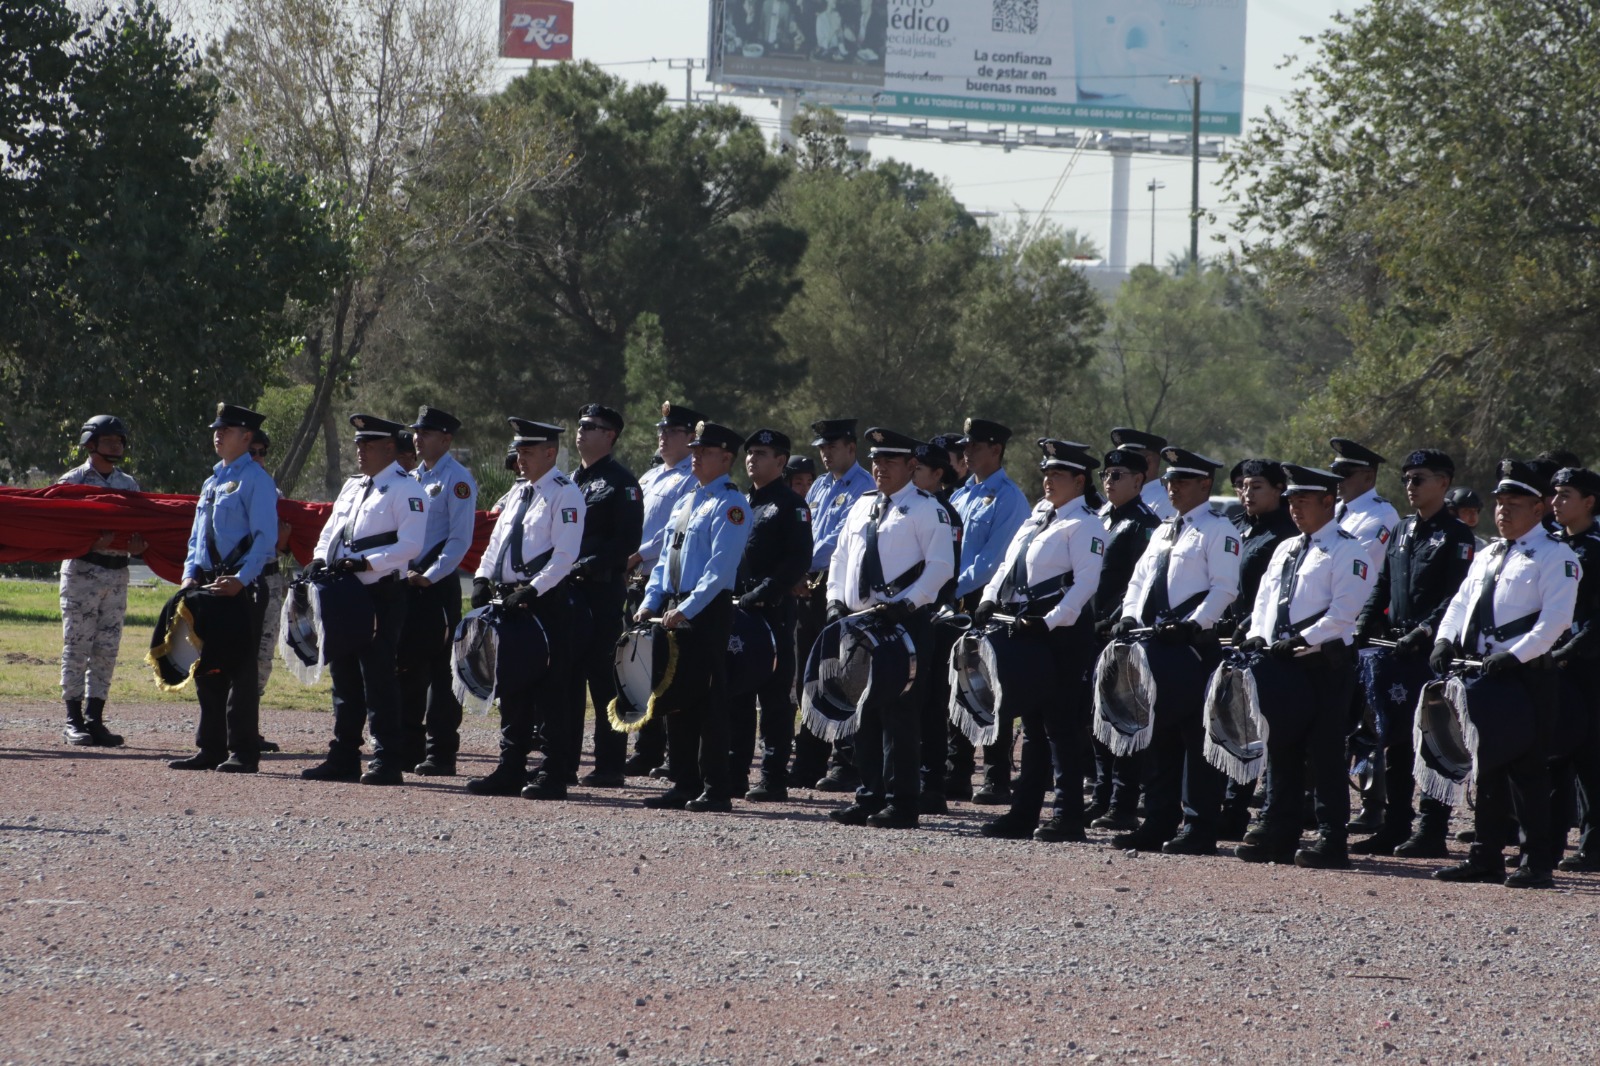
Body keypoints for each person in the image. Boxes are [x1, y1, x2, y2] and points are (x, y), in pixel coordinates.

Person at [1432, 460, 1580, 889]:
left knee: (1527, 772)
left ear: (1539, 508)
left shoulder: (1557, 555)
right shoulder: (1488, 554)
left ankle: (1536, 863)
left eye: (1514, 504)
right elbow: (1460, 604)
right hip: (1483, 674)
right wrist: (1444, 639)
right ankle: (1485, 856)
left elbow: (1555, 620)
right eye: (1500, 503)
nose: (1503, 511)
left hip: (1526, 677)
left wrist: (1514, 656)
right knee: (1487, 770)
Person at [1234, 464, 1373, 868]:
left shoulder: (1348, 550)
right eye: (1291, 500)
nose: (1295, 508)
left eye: (1304, 500)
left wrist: (1302, 639)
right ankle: (1280, 832)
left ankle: (1332, 839)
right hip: (1282, 664)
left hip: (1323, 667)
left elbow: (1344, 613)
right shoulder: (1287, 548)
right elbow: (1265, 601)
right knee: (1281, 748)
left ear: (1328, 501)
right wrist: (1258, 634)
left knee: (1326, 753)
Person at [1106, 446, 1240, 854]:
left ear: (1205, 484)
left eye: (1181, 481)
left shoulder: (1219, 530)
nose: (1172, 487)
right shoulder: (1164, 529)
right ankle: (1158, 820)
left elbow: (1224, 589)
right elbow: (1138, 581)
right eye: (1169, 480)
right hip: (1154, 643)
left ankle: (1199, 827)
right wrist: (1129, 616)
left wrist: (1194, 624)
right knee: (1158, 736)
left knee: (1197, 740)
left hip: (1193, 648)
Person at [975, 440, 1106, 842]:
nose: (1048, 480)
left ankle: (1068, 816)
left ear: (1079, 481)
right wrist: (988, 598)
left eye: (1057, 474)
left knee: (1061, 726)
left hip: (1061, 634)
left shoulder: (1085, 523)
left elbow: (1085, 584)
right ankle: (1024, 813)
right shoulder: (1038, 517)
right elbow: (1007, 564)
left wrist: (1049, 623)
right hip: (1025, 628)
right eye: (1046, 473)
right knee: (1031, 725)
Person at [824, 427, 955, 829]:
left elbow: (940, 568)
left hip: (903, 624)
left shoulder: (927, 509)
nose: (880, 467)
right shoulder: (862, 505)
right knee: (862, 712)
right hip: (859, 623)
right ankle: (870, 795)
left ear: (912, 465)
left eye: (890, 460)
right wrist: (834, 600)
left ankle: (902, 802)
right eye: (876, 460)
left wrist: (905, 605)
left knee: (900, 715)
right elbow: (840, 558)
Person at [1348, 449, 1476, 858]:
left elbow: (1457, 596)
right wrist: (1364, 622)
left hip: (1429, 653)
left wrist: (1425, 631)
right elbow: (1382, 584)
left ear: (1443, 482)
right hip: (1394, 652)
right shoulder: (1402, 530)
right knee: (1396, 742)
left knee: (1433, 741)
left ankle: (1431, 831)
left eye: (1418, 478)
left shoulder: (1456, 535)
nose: (1410, 486)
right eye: (1406, 479)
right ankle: (1396, 825)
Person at [300, 415, 428, 785]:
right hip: (343, 592)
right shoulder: (353, 486)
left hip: (380, 594)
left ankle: (387, 759)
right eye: (358, 444)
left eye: (367, 445)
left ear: (389, 448)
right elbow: (331, 531)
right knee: (343, 677)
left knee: (378, 677)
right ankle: (343, 755)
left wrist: (367, 562)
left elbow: (411, 545)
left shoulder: (407, 489)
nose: (360, 451)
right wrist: (319, 559)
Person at [634, 421, 752, 812]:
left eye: (705, 451)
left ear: (726, 458)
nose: (696, 456)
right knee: (674, 695)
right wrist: (652, 601)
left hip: (706, 610)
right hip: (674, 607)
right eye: (695, 450)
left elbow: (720, 570)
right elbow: (666, 560)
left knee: (708, 699)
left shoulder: (731, 505)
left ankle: (716, 788)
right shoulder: (688, 500)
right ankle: (683, 782)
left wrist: (685, 610)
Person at [468, 418, 586, 800]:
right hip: (511, 603)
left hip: (546, 604)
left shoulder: (565, 493)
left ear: (550, 453)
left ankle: (553, 773)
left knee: (551, 692)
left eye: (529, 451)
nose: (520, 459)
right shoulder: (519, 492)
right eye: (518, 451)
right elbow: (496, 543)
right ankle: (511, 767)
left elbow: (564, 556)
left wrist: (532, 590)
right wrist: (482, 577)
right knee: (512, 687)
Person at [168, 403, 279, 773]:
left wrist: (242, 579)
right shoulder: (212, 481)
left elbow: (265, 539)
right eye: (217, 429)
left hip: (240, 586)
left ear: (246, 437)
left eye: (226, 430)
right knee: (206, 667)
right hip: (208, 584)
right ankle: (210, 747)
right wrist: (189, 575)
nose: (217, 435)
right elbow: (197, 538)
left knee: (241, 670)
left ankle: (243, 751)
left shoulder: (257, 480)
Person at [392, 406, 479, 777]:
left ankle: (440, 753)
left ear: (446, 439)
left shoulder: (457, 480)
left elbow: (459, 539)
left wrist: (430, 575)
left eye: (426, 433)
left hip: (436, 586)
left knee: (442, 673)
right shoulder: (411, 477)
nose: (418, 439)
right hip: (407, 583)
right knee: (407, 667)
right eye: (416, 432)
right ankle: (407, 748)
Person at [948, 418, 1031, 804]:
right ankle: (957, 771)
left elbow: (993, 561)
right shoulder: (961, 495)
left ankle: (996, 776)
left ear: (995, 450)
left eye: (975, 446)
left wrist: (949, 588)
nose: (966, 452)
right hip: (952, 600)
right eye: (965, 446)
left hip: (985, 601)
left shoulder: (1009, 498)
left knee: (990, 688)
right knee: (954, 686)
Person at [1215, 458, 1299, 838]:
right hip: (1227, 639)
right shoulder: (1236, 527)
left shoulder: (1286, 533)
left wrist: (1250, 625)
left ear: (1279, 489)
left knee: (1251, 726)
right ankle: (1224, 805)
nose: (1247, 493)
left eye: (1257, 486)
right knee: (1224, 722)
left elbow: (1276, 593)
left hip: (1262, 641)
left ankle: (1238, 809)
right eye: (1243, 486)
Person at [730, 428, 812, 801]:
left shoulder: (792, 505)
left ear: (780, 462)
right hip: (739, 612)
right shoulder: (740, 501)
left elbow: (798, 560)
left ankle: (773, 778)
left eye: (761, 454)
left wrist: (763, 593)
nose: (752, 459)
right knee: (737, 694)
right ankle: (734, 773)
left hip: (773, 611)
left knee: (775, 699)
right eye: (750, 453)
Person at [565, 403, 644, 789]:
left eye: (589, 426)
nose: (580, 430)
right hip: (566, 594)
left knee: (602, 681)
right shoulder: (569, 481)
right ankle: (560, 763)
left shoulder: (622, 483)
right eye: (579, 424)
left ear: (609, 435)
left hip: (600, 592)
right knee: (564, 681)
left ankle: (610, 766)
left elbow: (627, 541)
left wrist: (586, 564)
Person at [56, 414, 147, 746]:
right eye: (109, 440)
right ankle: (73, 720)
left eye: (120, 440)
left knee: (107, 649)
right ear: (90, 443)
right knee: (77, 647)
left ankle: (95, 718)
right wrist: (88, 543)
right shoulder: (72, 482)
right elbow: (61, 530)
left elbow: (138, 526)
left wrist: (138, 548)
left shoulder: (129, 485)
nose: (117, 445)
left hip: (117, 573)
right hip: (83, 572)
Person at [794, 418, 875, 791]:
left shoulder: (864, 487)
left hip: (839, 588)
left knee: (843, 676)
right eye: (822, 448)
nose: (825, 453)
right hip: (807, 588)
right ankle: (808, 760)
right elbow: (805, 531)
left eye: (832, 447)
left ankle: (847, 762)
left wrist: (799, 563)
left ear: (851, 448)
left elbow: (838, 540)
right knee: (808, 674)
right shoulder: (820, 486)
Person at [1084, 442, 1161, 831]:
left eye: (1117, 476)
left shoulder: (1144, 524)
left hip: (1119, 633)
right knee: (1096, 720)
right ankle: (1101, 796)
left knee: (1123, 717)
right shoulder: (1099, 518)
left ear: (1138, 480)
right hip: (1088, 630)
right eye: (1105, 475)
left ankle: (1123, 802)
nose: (1108, 482)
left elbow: (1139, 584)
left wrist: (1115, 620)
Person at [623, 402, 702, 776]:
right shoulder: (650, 476)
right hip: (638, 583)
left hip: (664, 580)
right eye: (661, 430)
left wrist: (637, 555)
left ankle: (674, 751)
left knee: (668, 668)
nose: (663, 436)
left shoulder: (691, 477)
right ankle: (647, 746)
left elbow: (670, 532)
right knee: (639, 665)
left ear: (690, 438)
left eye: (672, 432)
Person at [1548, 467, 1600, 872]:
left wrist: (1568, 651)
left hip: (1586, 665)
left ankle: (1592, 846)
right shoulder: (1552, 546)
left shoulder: (1595, 549)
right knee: (1551, 755)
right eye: (1554, 494)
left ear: (1589, 502)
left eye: (1565, 494)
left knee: (1589, 757)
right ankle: (1546, 843)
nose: (1555, 502)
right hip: (1551, 662)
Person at [911, 438, 963, 814]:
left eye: (918, 470)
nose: (911, 475)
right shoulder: (907, 507)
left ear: (938, 474)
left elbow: (946, 574)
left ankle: (931, 784)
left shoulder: (945, 514)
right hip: (904, 615)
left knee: (931, 703)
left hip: (932, 617)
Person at [247, 429, 292, 753]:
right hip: (240, 582)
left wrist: (283, 543)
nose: (259, 458)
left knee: (263, 656)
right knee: (237, 654)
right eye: (253, 451)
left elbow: (282, 544)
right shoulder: (228, 486)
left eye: (262, 452)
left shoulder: (273, 492)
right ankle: (229, 725)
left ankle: (249, 725)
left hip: (270, 580)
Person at [1329, 437, 1400, 574]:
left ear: (1368, 477)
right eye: (1335, 472)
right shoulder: (1334, 508)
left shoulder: (1382, 516)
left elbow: (1353, 566)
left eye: (1344, 473)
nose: (1337, 479)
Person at [1109, 427, 1177, 521]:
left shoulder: (1165, 501)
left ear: (1148, 462)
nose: (1119, 467)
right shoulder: (1117, 500)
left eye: (1126, 461)